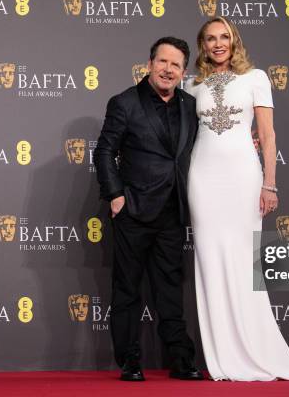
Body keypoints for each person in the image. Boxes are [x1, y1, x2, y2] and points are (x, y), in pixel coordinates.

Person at [185, 16, 289, 381]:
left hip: (243, 178)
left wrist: (269, 184)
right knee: (210, 260)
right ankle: (221, 357)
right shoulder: (192, 85)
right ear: (203, 45)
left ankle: (256, 349)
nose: (218, 43)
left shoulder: (256, 78)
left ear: (234, 40)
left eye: (224, 36)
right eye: (210, 38)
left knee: (245, 263)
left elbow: (268, 136)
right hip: (203, 179)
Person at [95, 37, 203, 382]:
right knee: (127, 288)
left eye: (176, 65)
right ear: (150, 63)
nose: (168, 69)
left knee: (170, 288)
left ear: (184, 72)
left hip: (173, 212)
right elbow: (104, 151)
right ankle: (129, 360)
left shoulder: (190, 104)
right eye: (163, 62)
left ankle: (181, 359)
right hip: (133, 210)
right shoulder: (125, 102)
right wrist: (115, 196)